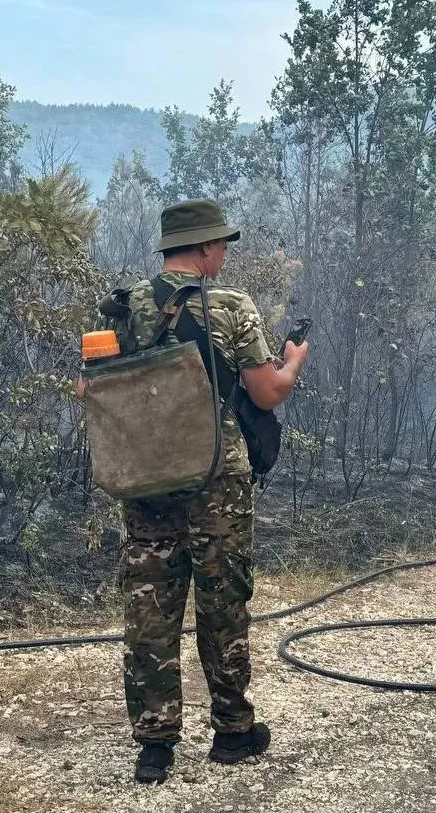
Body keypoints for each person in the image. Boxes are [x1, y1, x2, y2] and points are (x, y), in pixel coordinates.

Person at [121, 198, 309, 784]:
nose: (224, 253)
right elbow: (267, 393)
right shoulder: (229, 306)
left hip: (146, 474)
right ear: (204, 248)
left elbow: (92, 386)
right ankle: (231, 730)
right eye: (221, 244)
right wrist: (293, 362)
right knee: (222, 596)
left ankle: (155, 746)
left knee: (150, 603)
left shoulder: (124, 306)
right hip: (215, 478)